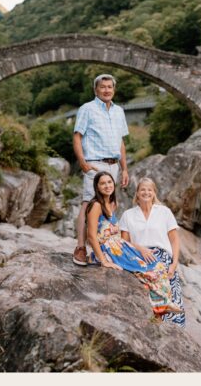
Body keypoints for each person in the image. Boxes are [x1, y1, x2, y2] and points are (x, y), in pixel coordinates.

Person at [85, 171, 182, 320]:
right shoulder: (97, 205)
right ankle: (160, 306)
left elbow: (174, 239)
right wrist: (103, 260)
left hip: (119, 246)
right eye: (102, 183)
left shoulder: (111, 205)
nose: (107, 185)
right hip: (111, 249)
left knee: (157, 268)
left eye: (109, 182)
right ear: (96, 187)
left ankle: (162, 304)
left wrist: (174, 263)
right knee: (149, 270)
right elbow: (91, 236)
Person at [72, 74, 130, 266]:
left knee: (109, 204)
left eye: (109, 87)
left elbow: (120, 142)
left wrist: (124, 168)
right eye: (103, 87)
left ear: (114, 89)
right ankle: (81, 247)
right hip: (95, 163)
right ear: (96, 90)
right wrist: (83, 162)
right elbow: (77, 136)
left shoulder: (119, 111)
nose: (107, 90)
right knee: (89, 203)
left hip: (114, 165)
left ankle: (106, 248)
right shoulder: (87, 109)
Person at [119, 178, 185, 327]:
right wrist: (140, 248)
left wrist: (174, 263)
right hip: (139, 257)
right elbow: (123, 242)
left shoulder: (164, 212)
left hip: (164, 259)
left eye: (150, 190)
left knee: (172, 303)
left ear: (154, 193)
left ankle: (172, 335)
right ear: (137, 193)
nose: (146, 192)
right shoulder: (128, 215)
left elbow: (174, 240)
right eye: (142, 189)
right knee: (149, 301)